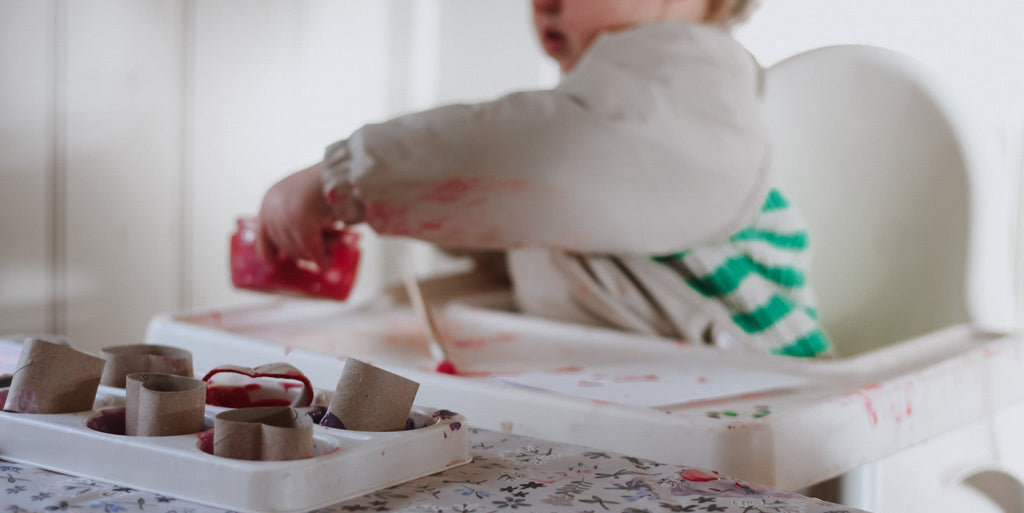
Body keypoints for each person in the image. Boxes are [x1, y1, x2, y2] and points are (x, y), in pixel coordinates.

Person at [255, 0, 834, 358]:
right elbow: (548, 219)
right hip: (678, 389)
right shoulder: (627, 105)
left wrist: (346, 180)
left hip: (762, 387)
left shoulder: (688, 79)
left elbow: (547, 156)